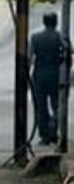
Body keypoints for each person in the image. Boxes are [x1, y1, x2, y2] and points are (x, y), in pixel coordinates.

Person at [29, 12, 71, 145]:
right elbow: (69, 56)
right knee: (57, 105)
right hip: (56, 76)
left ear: (44, 22)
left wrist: (27, 74)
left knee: (41, 107)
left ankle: (44, 135)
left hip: (39, 76)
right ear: (56, 22)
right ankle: (53, 126)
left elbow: (29, 58)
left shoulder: (35, 38)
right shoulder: (61, 38)